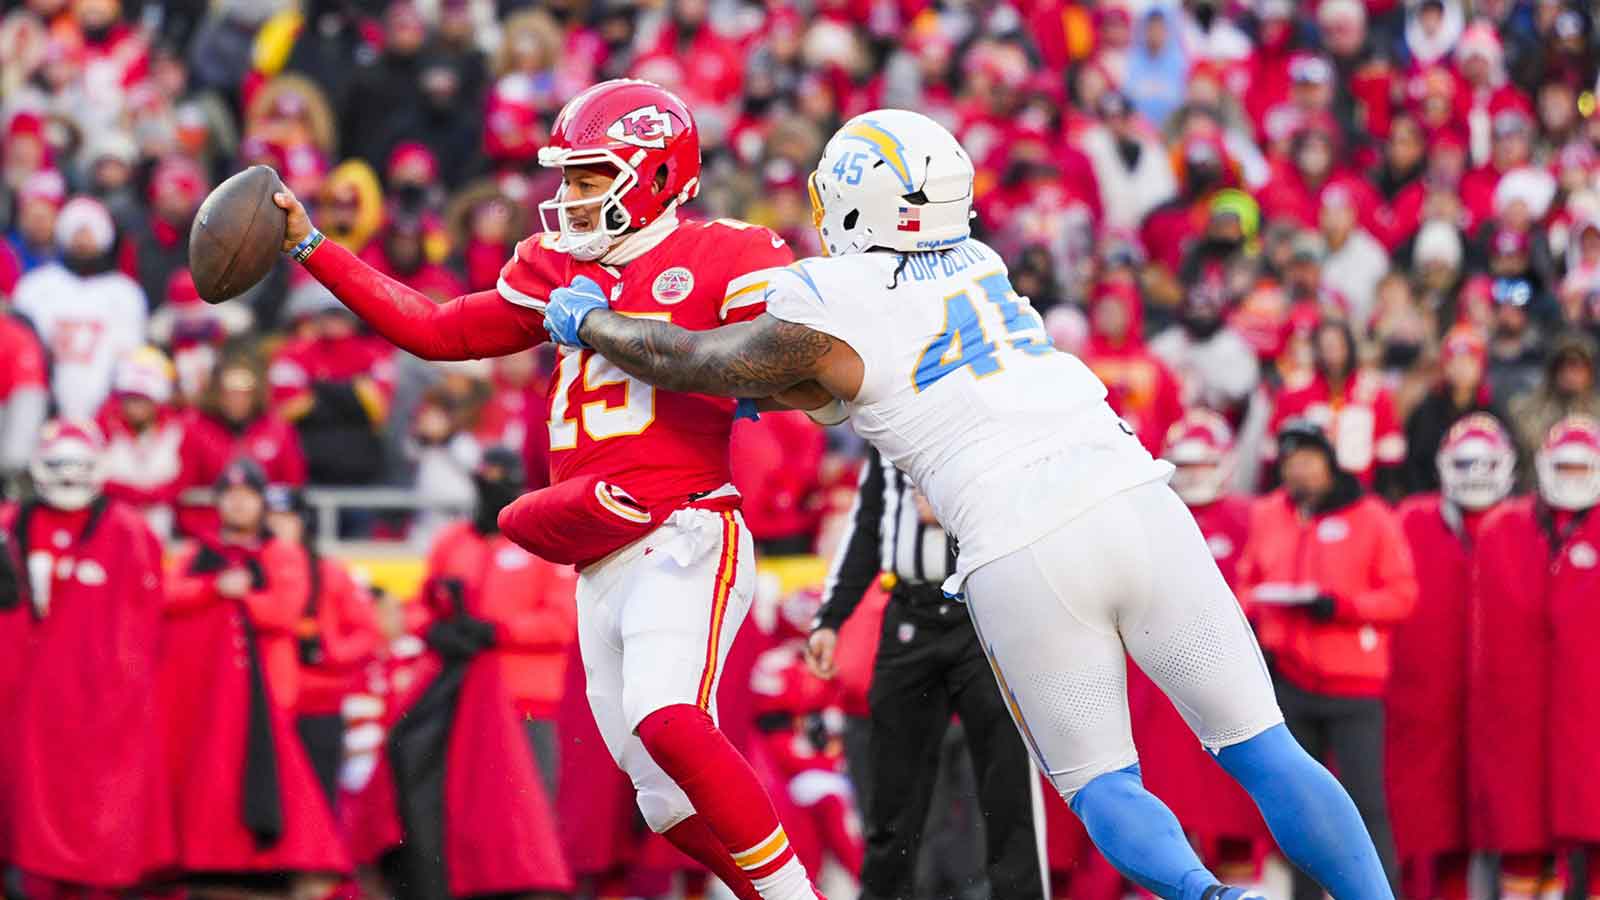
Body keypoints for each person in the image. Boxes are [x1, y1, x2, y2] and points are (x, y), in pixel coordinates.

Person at [550, 108, 1396, 900]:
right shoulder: (984, 263)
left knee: (1103, 785)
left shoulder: (832, 295)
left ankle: (1212, 899)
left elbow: (697, 359)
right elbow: (832, 375)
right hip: (1137, 496)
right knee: (1263, 745)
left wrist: (593, 324)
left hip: (1020, 540)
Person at [272, 79, 822, 900]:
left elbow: (788, 357)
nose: (569, 198)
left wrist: (690, 351)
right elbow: (437, 328)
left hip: (687, 527)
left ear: (658, 175)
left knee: (670, 720)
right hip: (600, 553)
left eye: (590, 177)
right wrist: (313, 246)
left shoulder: (726, 252)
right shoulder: (558, 263)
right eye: (566, 177)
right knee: (664, 800)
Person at [808, 445, 1045, 900]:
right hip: (909, 620)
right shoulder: (885, 433)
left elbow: (1026, 513)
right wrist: (831, 618)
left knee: (1005, 787)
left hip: (981, 617)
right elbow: (867, 526)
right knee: (893, 792)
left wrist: (954, 512)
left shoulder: (988, 425)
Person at [0, 420, 177, 898]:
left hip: (94, 707)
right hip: (18, 700)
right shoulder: (10, 525)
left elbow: (144, 624)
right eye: (60, 466)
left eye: (78, 466)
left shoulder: (127, 531)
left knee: (93, 822)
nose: (69, 478)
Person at [162, 459, 351, 890]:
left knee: (278, 779)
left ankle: (277, 865)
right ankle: (215, 860)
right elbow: (167, 593)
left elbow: (284, 612)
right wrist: (212, 588)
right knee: (216, 774)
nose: (238, 504)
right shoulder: (199, 553)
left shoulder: (281, 554)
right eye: (229, 496)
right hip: (211, 691)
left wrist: (241, 594)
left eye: (247, 497)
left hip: (272, 687)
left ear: (261, 504)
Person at [1470, 415, 1600, 900]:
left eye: (1578, 468)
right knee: (1522, 838)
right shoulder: (1506, 530)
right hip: (1521, 722)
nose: (1569, 478)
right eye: (1561, 467)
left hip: (1587, 720)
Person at [1133, 412, 1267, 879]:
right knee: (1169, 807)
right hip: (1165, 686)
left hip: (1232, 681)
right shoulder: (1151, 519)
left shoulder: (1249, 518)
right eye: (1183, 467)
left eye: (1201, 466)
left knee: (1235, 813)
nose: (1191, 477)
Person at [1389, 414, 1516, 900]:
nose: (1475, 472)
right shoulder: (1414, 521)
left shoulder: (1525, 525)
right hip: (1429, 704)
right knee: (1430, 826)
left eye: (1485, 462)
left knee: (1514, 830)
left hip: (1504, 709)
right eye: (1465, 461)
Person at [417, 447, 578, 797]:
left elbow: (563, 621)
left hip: (525, 698)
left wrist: (498, 631)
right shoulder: (453, 541)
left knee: (528, 801)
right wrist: (433, 630)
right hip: (459, 688)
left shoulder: (543, 537)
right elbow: (421, 604)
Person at [262, 485, 381, 808]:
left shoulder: (331, 573)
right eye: (270, 518)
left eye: (286, 518)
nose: (277, 526)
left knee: (319, 803)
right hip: (265, 705)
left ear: (303, 522)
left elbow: (367, 632)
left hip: (318, 703)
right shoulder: (252, 570)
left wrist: (327, 650)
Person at [11, 196, 147, 420]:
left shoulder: (125, 293)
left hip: (107, 415)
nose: (83, 241)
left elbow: (131, 358)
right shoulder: (34, 288)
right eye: (77, 232)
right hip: (43, 410)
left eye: (91, 232)